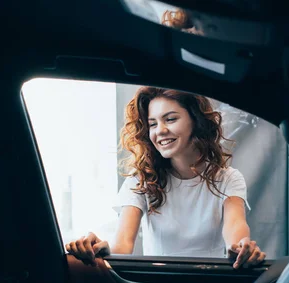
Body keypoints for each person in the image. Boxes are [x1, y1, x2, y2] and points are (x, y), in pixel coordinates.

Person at [65, 87, 266, 269]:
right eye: (153, 124)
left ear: (195, 121)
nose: (160, 130)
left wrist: (242, 248)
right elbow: (123, 246)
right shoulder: (141, 181)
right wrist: (100, 248)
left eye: (170, 119)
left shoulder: (229, 178)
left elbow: (235, 229)